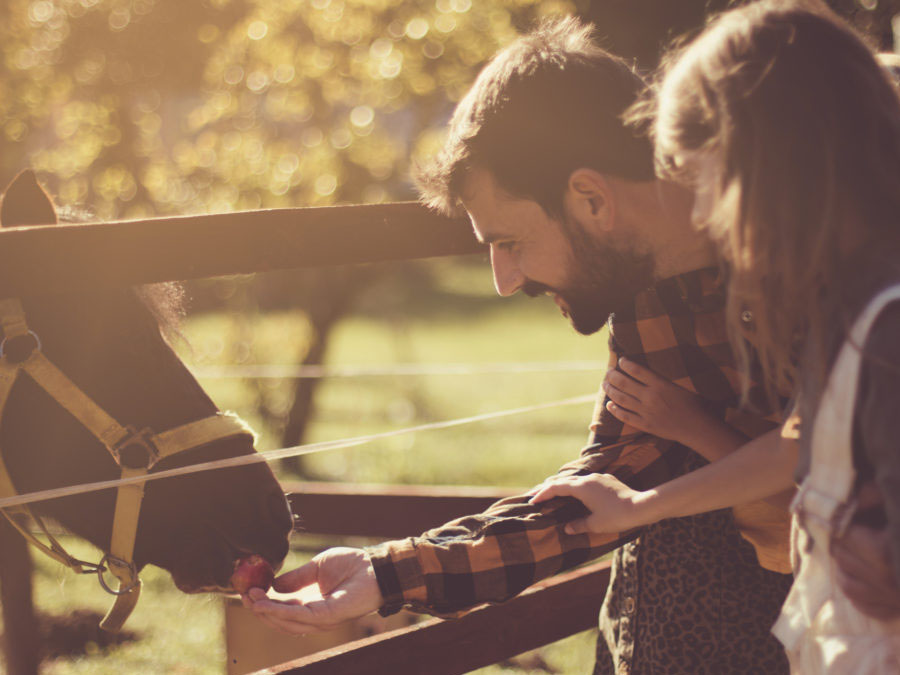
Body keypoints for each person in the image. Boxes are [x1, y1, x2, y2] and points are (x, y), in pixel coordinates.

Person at [246, 17, 794, 673]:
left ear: (591, 197)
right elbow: (592, 498)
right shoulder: (645, 299)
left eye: (509, 242)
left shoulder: (814, 257)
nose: (504, 282)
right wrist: (384, 572)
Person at [530, 2, 900, 670]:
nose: (700, 213)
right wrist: (641, 506)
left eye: (702, 181)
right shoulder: (844, 302)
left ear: (766, 161)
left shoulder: (887, 322)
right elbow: (802, 438)